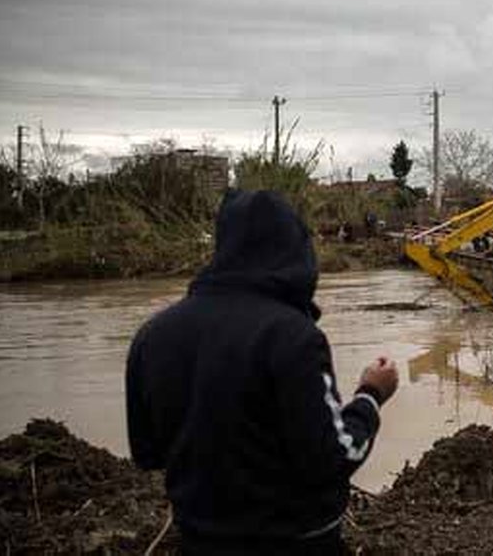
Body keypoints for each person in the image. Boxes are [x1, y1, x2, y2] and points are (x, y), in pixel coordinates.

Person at [126, 190, 399, 554]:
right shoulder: (293, 337)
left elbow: (147, 453)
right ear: (296, 252)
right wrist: (371, 394)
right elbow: (335, 457)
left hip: (198, 542)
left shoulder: (151, 335)